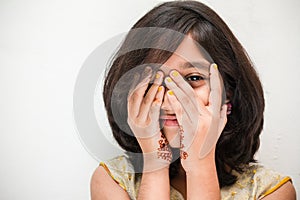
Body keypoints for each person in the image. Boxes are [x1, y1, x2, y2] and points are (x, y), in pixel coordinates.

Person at [91, 1, 296, 199]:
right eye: (155, 80)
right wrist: (156, 161)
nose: (171, 101)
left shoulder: (270, 191)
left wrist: (200, 160)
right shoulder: (112, 181)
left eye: (194, 78)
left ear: (228, 91)